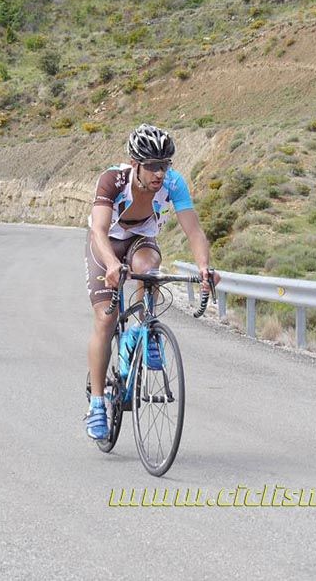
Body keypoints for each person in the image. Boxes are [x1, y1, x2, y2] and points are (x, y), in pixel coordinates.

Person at [83, 123, 218, 440]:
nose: (160, 173)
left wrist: (204, 268)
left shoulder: (173, 183)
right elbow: (99, 232)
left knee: (150, 266)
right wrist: (113, 264)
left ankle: (144, 331)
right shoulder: (113, 180)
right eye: (153, 166)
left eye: (165, 165)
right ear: (135, 164)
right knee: (106, 319)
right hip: (108, 245)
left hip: (141, 240)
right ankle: (97, 403)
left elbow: (194, 232)